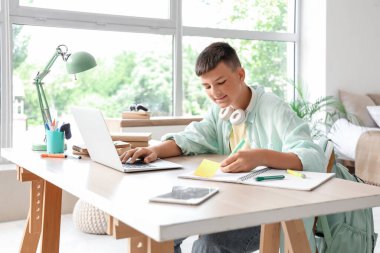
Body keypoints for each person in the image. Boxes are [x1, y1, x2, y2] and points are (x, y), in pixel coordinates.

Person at [120, 42, 326, 253]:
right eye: (207, 86)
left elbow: (311, 156)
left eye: (220, 82)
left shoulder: (274, 109)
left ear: (241, 75)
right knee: (161, 226)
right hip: (227, 198)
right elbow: (193, 137)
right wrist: (156, 150)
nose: (215, 92)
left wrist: (261, 156)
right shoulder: (221, 111)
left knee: (210, 244)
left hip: (269, 208)